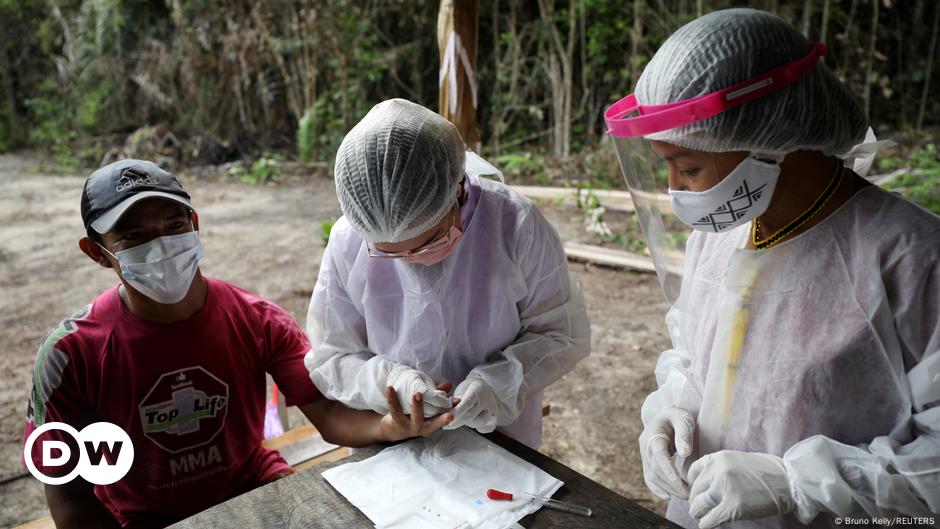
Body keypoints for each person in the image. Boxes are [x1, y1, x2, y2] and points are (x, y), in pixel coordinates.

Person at [603, 8, 940, 529]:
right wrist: (671, 413)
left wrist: (796, 483)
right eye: (665, 165)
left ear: (776, 137)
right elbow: (695, 357)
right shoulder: (718, 238)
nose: (676, 189)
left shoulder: (911, 257)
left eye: (689, 167)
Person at [23, 159, 448, 529]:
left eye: (173, 226)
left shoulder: (256, 319)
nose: (161, 246)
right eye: (134, 237)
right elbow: (69, 495)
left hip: (255, 491)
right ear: (97, 252)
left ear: (195, 225)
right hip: (144, 519)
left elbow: (328, 412)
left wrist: (388, 428)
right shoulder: (69, 355)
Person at [305, 98, 591, 449]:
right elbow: (331, 355)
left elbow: (561, 332)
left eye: (427, 243)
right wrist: (390, 382)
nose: (412, 261)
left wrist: (497, 385)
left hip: (499, 439)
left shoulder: (515, 226)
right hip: (392, 443)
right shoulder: (349, 241)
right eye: (391, 253)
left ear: (457, 189)